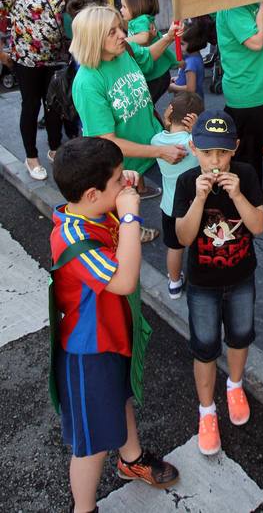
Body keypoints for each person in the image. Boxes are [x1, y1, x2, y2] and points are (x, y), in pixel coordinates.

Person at [50, 138, 179, 512]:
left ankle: (131, 459)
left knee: (120, 398)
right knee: (91, 445)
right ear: (93, 194)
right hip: (88, 352)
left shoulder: (93, 210)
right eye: (119, 179)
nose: (126, 184)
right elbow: (123, 280)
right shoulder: (72, 237)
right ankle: (84, 507)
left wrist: (122, 189)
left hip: (112, 335)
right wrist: (130, 216)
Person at [173, 111, 263, 456]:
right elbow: (183, 238)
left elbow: (258, 226)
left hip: (241, 277)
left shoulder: (246, 174)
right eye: (208, 152)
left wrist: (239, 196)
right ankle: (207, 410)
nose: (215, 161)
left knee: (241, 335)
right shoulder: (186, 183)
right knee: (205, 346)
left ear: (235, 148)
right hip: (203, 284)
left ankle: (235, 386)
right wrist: (199, 199)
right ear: (193, 149)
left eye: (223, 153)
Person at [70, 5, 187, 213]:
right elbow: (107, 141)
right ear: (93, 39)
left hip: (150, 148)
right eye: (112, 32)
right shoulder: (88, 83)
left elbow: (148, 56)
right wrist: (161, 152)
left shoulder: (124, 51)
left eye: (120, 28)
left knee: (167, 199)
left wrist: (169, 37)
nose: (123, 35)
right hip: (121, 167)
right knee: (125, 215)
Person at [0, 0, 66, 180]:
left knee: (55, 105)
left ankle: (55, 148)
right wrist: (1, 52)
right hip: (27, 59)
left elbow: (64, 13)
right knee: (31, 106)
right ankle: (31, 157)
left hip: (57, 56)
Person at [216, 0, 263, 221]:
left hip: (259, 88)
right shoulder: (234, 7)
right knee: (248, 155)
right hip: (247, 91)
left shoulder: (251, 1)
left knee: (250, 149)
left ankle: (243, 201)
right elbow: (256, 42)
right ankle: (256, 205)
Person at [151, 92, 204, 299]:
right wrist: (197, 130)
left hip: (170, 206)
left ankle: (174, 283)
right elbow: (205, 151)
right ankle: (200, 281)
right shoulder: (194, 143)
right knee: (200, 245)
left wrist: (166, 124)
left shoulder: (156, 141)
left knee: (174, 247)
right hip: (195, 206)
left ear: (170, 114)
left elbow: (167, 135)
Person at [120, 0, 176, 104]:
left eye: (124, 7)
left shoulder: (141, 20)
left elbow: (144, 38)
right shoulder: (138, 20)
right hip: (158, 74)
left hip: (156, 76)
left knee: (146, 105)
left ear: (136, 7)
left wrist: (123, 41)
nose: (121, 10)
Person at [169, 19, 209, 97]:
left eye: (182, 44)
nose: (178, 47)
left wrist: (173, 87)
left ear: (193, 44)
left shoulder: (191, 63)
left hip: (188, 101)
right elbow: (192, 77)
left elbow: (191, 89)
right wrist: (178, 79)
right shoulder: (195, 56)